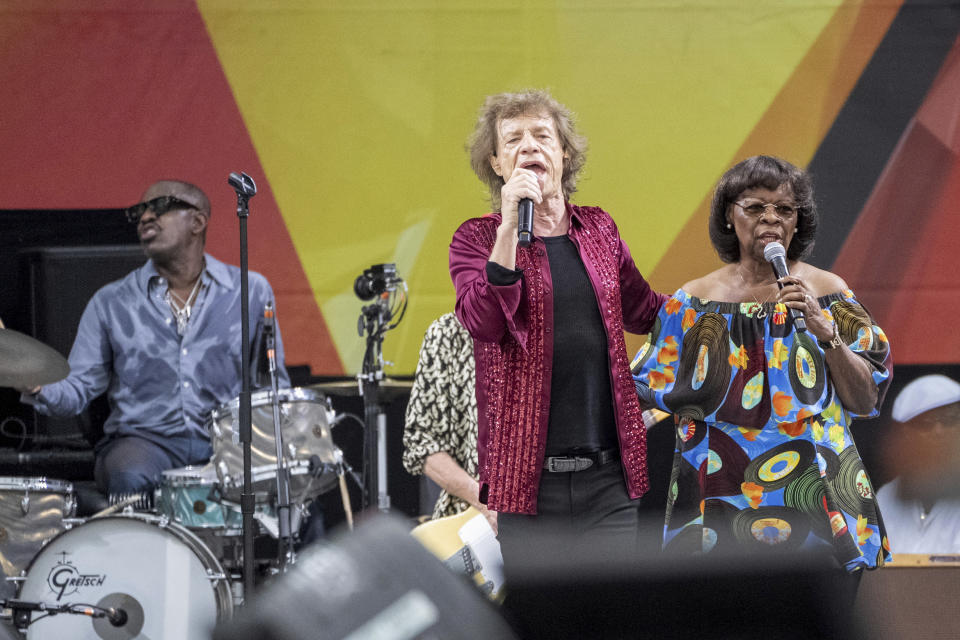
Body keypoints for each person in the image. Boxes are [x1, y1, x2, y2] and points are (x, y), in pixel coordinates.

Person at [632, 155, 892, 573]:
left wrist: (826, 333)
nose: (771, 218)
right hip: (718, 495)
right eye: (755, 207)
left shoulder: (827, 292)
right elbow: (640, 394)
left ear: (796, 223)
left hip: (815, 494)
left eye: (785, 209)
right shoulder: (691, 304)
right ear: (729, 218)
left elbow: (864, 398)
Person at [448, 89, 667, 564]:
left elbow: (649, 312)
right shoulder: (477, 238)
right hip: (528, 486)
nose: (529, 146)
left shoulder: (599, 230)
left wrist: (726, 302)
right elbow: (484, 322)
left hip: (610, 478)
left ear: (564, 154)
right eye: (513, 140)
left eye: (541, 135)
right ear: (497, 163)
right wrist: (508, 228)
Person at [19, 180, 289, 504]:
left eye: (160, 207)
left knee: (293, 491)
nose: (146, 216)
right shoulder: (110, 302)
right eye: (140, 211)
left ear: (198, 221)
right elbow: (77, 388)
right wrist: (36, 384)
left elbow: (273, 382)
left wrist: (282, 440)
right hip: (145, 442)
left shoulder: (250, 290)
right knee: (129, 476)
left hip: (228, 442)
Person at [402, 312, 497, 532]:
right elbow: (421, 443)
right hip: (470, 525)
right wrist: (483, 502)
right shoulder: (448, 332)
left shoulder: (554, 329)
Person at [875, 374, 960, 553]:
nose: (938, 431)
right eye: (927, 423)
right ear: (905, 434)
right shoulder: (886, 498)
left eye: (950, 420)